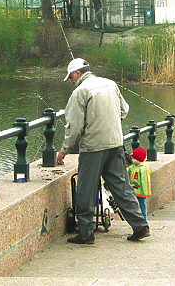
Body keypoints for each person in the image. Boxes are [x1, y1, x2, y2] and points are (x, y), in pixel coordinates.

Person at [56, 58, 150, 244]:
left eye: (71, 78)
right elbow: (124, 110)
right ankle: (140, 226)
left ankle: (86, 233)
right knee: (122, 187)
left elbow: (73, 127)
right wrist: (110, 125)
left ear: (77, 73)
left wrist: (63, 150)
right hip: (115, 143)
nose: (71, 82)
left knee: (85, 190)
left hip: (93, 148)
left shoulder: (79, 92)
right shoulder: (110, 84)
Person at [127, 147, 152, 221]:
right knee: (136, 206)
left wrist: (146, 192)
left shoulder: (143, 168)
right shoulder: (133, 167)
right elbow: (127, 171)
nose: (132, 160)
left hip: (140, 192)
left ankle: (144, 219)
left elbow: (145, 181)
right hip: (134, 191)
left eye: (134, 159)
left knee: (141, 206)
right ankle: (138, 219)